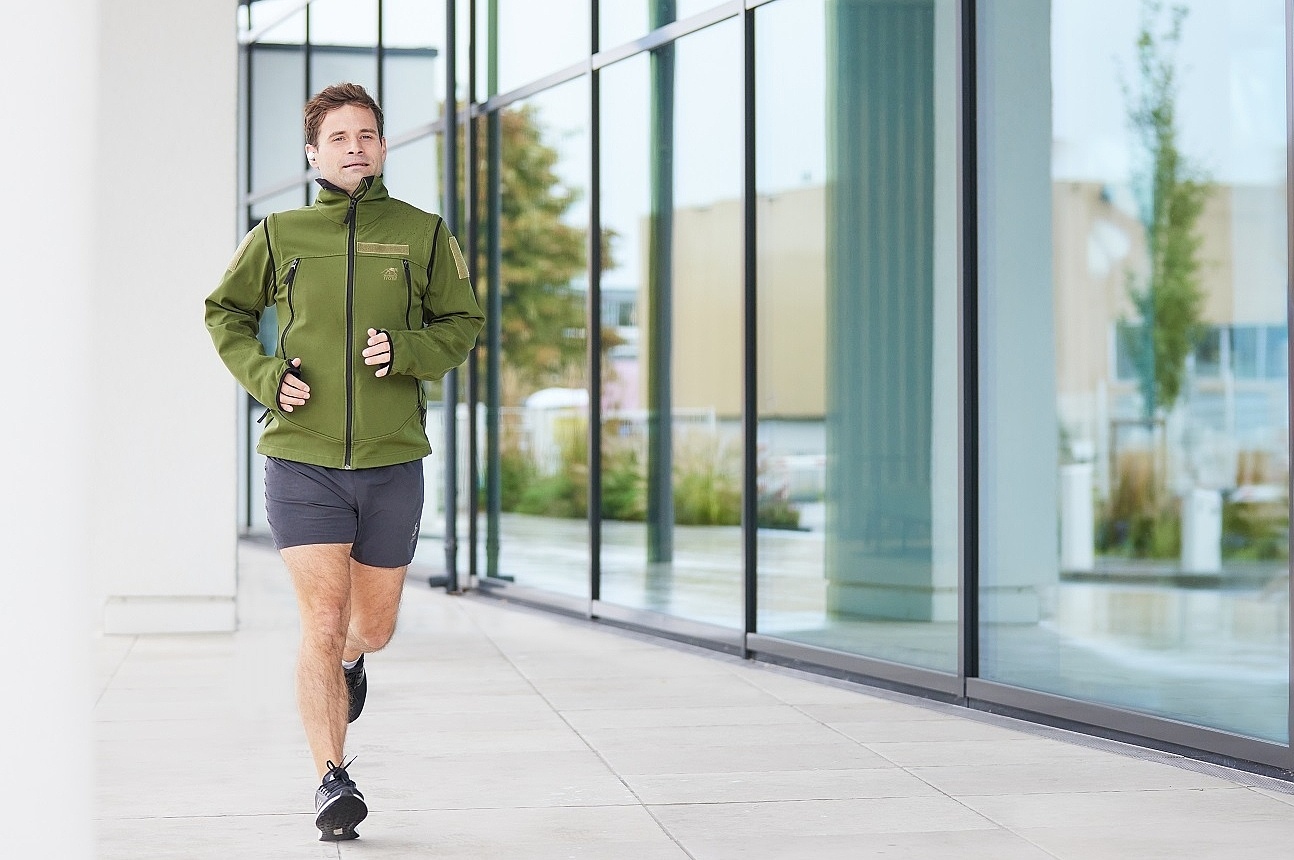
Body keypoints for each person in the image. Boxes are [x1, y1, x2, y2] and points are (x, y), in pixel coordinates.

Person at [205, 82, 484, 842]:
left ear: (384, 147)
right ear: (312, 152)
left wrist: (411, 352)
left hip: (394, 460)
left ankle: (356, 663)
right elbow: (221, 312)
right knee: (321, 624)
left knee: (371, 628)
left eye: (367, 134)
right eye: (339, 137)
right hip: (302, 459)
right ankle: (333, 779)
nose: (354, 146)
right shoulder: (279, 234)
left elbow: (464, 321)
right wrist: (266, 377)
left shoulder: (423, 234)